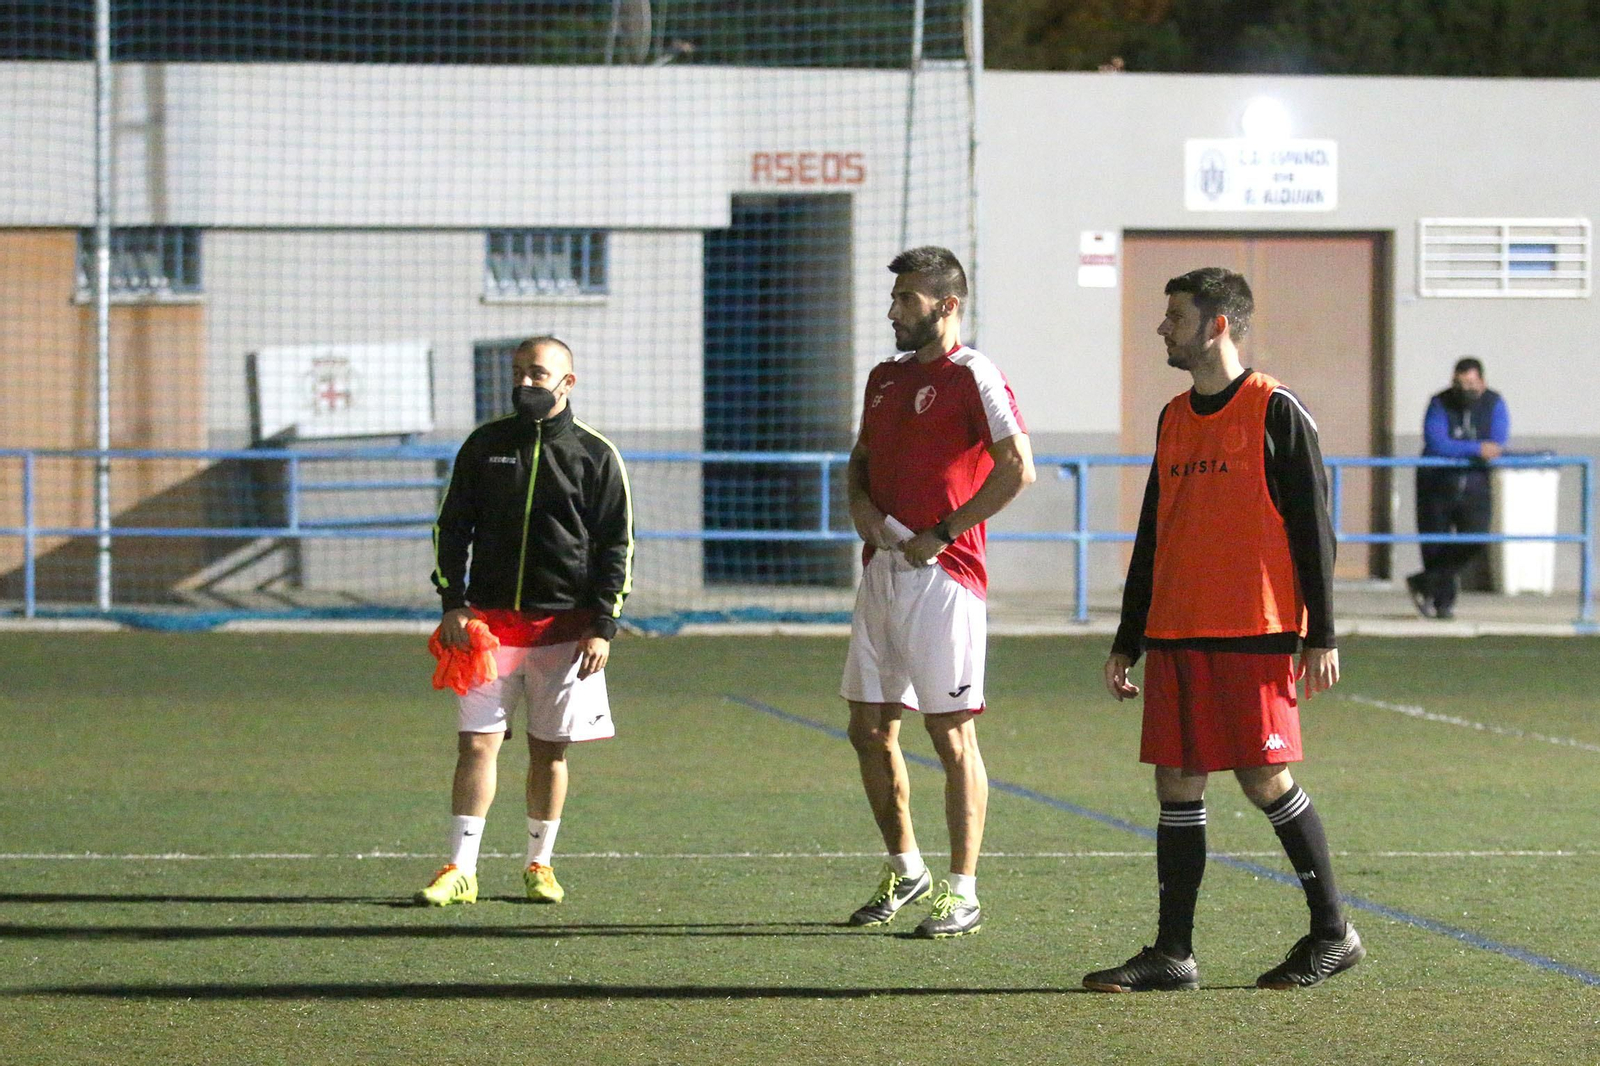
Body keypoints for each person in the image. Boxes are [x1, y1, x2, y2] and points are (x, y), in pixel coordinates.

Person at [1085, 267, 1364, 992]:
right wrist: (1128, 637)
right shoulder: (1173, 417)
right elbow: (1154, 532)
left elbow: (1315, 530)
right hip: (1178, 627)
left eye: (1175, 316)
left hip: (1254, 626)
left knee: (1264, 776)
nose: (1162, 327)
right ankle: (1173, 953)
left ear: (1216, 326)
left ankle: (1333, 933)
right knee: (1176, 781)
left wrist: (1322, 633)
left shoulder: (1276, 410)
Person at [841, 246, 1035, 938]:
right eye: (894, 298)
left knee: (950, 734)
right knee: (868, 728)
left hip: (944, 578)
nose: (893, 311)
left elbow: (1019, 468)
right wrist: (861, 507)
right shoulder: (885, 377)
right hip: (882, 571)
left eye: (907, 299)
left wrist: (945, 532)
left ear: (946, 305)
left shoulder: (973, 374)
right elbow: (860, 460)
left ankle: (963, 891)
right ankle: (906, 868)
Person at [415, 336, 633, 907]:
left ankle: (540, 864)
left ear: (567, 382)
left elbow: (617, 544)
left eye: (537, 373)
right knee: (476, 745)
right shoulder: (484, 445)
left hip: (565, 634)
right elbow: (451, 527)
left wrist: (603, 624)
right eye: (518, 373)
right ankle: (460, 869)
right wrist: (452, 602)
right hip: (486, 630)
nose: (525, 383)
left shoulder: (596, 455)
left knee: (550, 751)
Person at [1406, 358, 1510, 620]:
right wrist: (1475, 449)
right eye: (1459, 384)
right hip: (1436, 485)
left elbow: (1496, 442)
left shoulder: (1494, 403)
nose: (1464, 390)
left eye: (1471, 384)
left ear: (1482, 382)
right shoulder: (1439, 402)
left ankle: (1426, 582)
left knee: (1475, 538)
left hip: (1475, 485)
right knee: (1435, 545)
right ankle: (1442, 604)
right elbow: (1437, 443)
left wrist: (1475, 450)